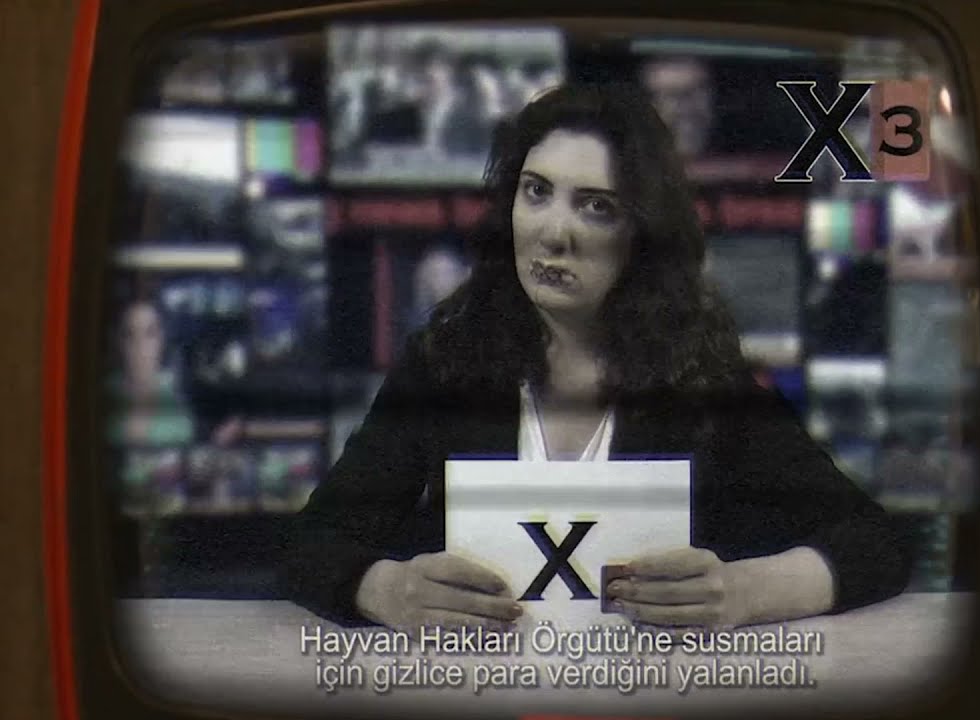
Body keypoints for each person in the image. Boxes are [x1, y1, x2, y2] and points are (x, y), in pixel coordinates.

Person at [283, 83, 910, 630]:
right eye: (536, 192)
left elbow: (875, 542)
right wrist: (385, 589)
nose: (554, 232)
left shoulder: (704, 378)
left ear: (642, 234)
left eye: (596, 206)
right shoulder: (445, 360)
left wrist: (749, 591)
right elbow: (311, 541)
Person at [107, 295, 195, 447]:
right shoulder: (100, 395)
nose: (140, 346)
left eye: (150, 333)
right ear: (118, 341)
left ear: (162, 339)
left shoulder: (179, 407)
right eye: (129, 334)